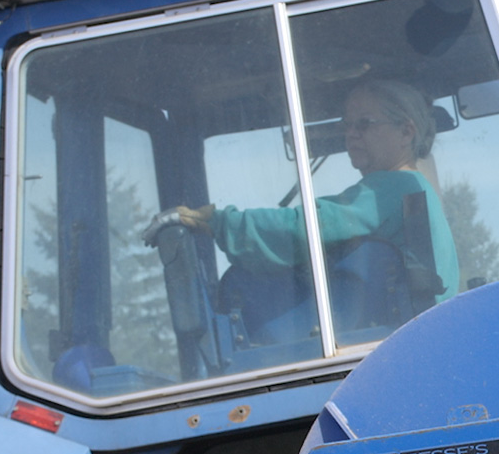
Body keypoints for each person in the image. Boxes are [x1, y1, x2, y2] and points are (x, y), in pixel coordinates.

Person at [161, 78, 459, 341]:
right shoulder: (412, 189)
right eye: (348, 125)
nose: (351, 134)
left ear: (406, 132)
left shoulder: (394, 187)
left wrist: (220, 223)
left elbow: (308, 227)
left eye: (364, 123)